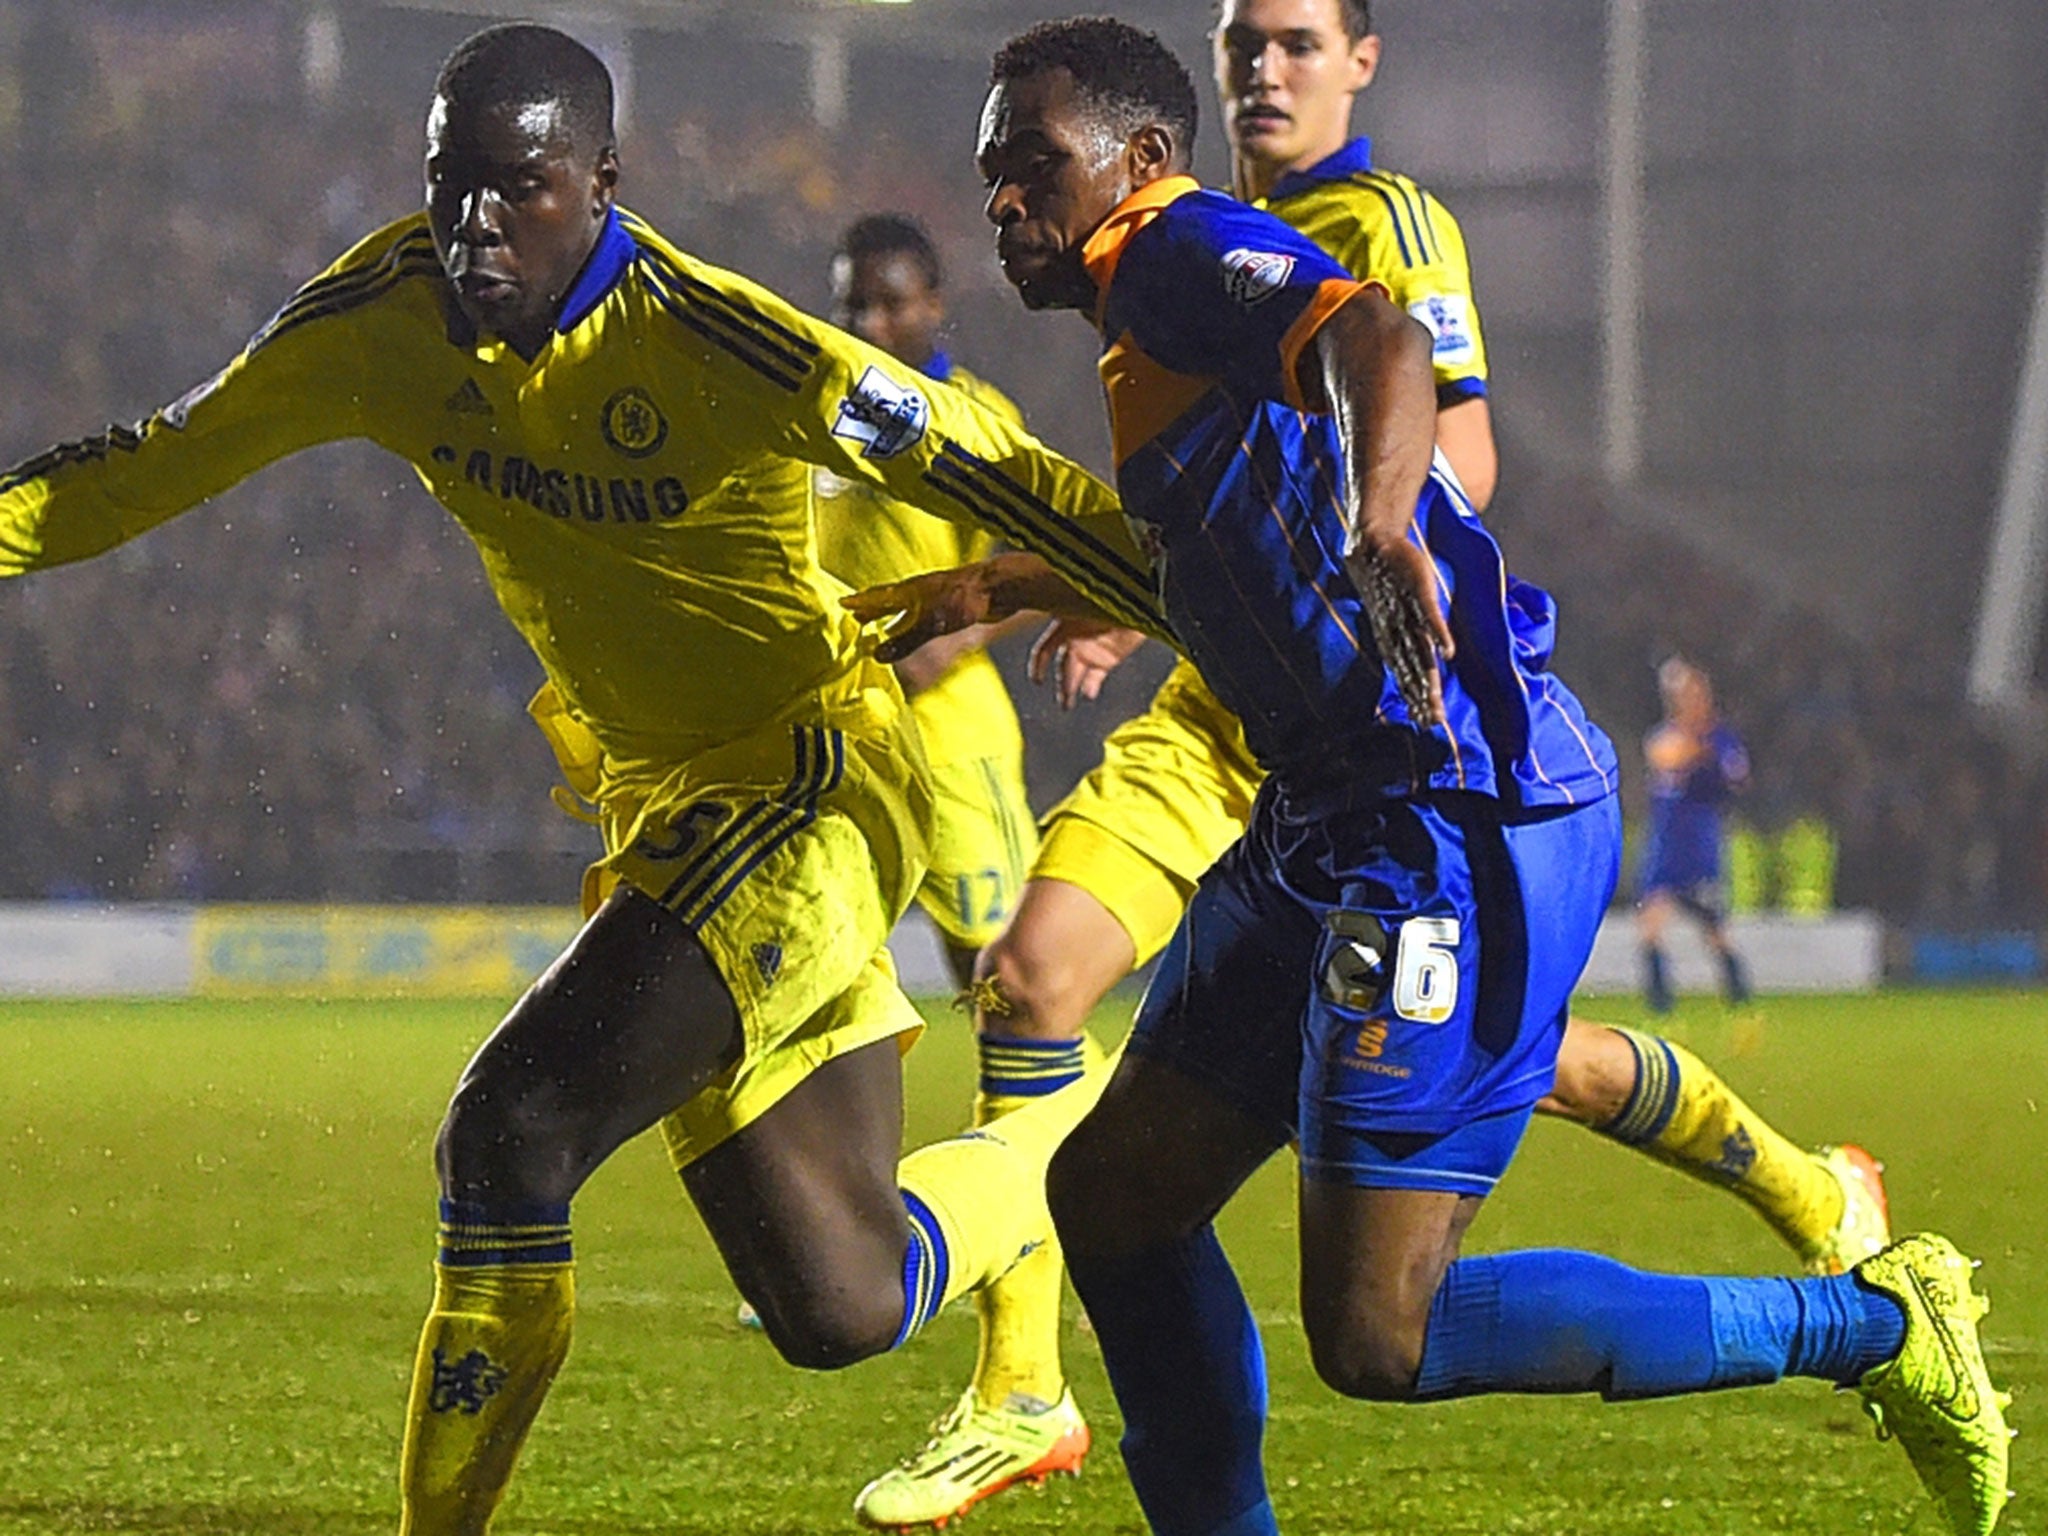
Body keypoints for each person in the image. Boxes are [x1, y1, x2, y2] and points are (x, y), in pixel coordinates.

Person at [0, 24, 1165, 1535]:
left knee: (508, 1129)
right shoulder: (376, 317)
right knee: (843, 1301)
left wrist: (1165, 582)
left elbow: (982, 465)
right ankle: (1077, 1146)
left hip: (809, 787)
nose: (474, 225)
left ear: (601, 185)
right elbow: (151, 461)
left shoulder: (720, 339)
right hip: (670, 814)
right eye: (448, 188)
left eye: (517, 189)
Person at [856, 19, 2007, 1536]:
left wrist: (1392, 515)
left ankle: (1878, 1326)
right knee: (1117, 1200)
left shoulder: (1169, 249)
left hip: (1451, 817)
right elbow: (1236, 534)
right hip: (1332, 815)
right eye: (992, 176)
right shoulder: (1149, 337)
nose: (1004, 204)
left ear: (1137, 161)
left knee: (1384, 1336)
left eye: (1031, 168)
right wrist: (1001, 579)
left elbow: (1381, 340)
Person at [815, 214, 1042, 992]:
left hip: (947, 728)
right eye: (851, 306)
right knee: (820, 958)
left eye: (889, 304)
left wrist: (957, 641)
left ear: (934, 304)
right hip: (835, 725)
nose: (867, 324)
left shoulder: (975, 420)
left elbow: (1049, 559)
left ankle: (1029, 1111)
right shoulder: (814, 418)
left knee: (997, 967)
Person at [1638, 655, 1754, 1012]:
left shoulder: (1721, 740)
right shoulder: (1666, 737)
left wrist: (1703, 755)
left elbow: (1737, 779)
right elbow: (1661, 758)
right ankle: (1662, 1011)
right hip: (1665, 841)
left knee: (1715, 931)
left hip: (1698, 842)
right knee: (1650, 927)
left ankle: (1741, 1003)